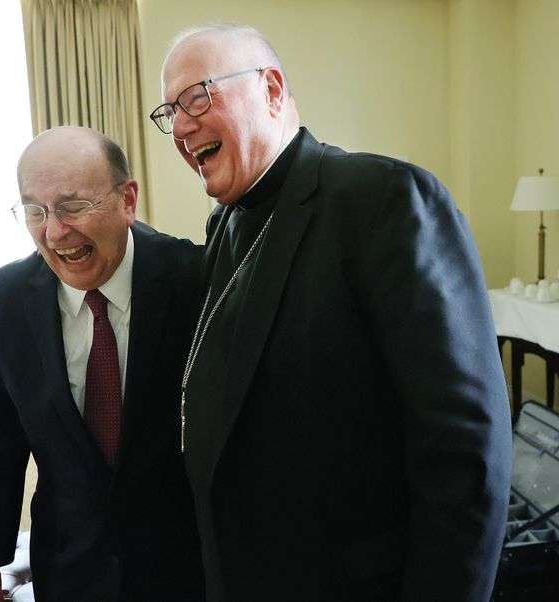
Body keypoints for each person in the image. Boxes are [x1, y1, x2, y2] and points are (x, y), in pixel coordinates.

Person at [150, 24, 512, 602]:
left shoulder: (381, 199)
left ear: (271, 88)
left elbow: (465, 451)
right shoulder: (226, 225)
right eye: (170, 110)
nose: (182, 125)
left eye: (198, 96)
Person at [0, 126, 204, 602]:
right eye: (36, 211)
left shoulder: (195, 278)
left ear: (127, 200)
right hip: (68, 560)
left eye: (72, 206)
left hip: (184, 560)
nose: (54, 232)